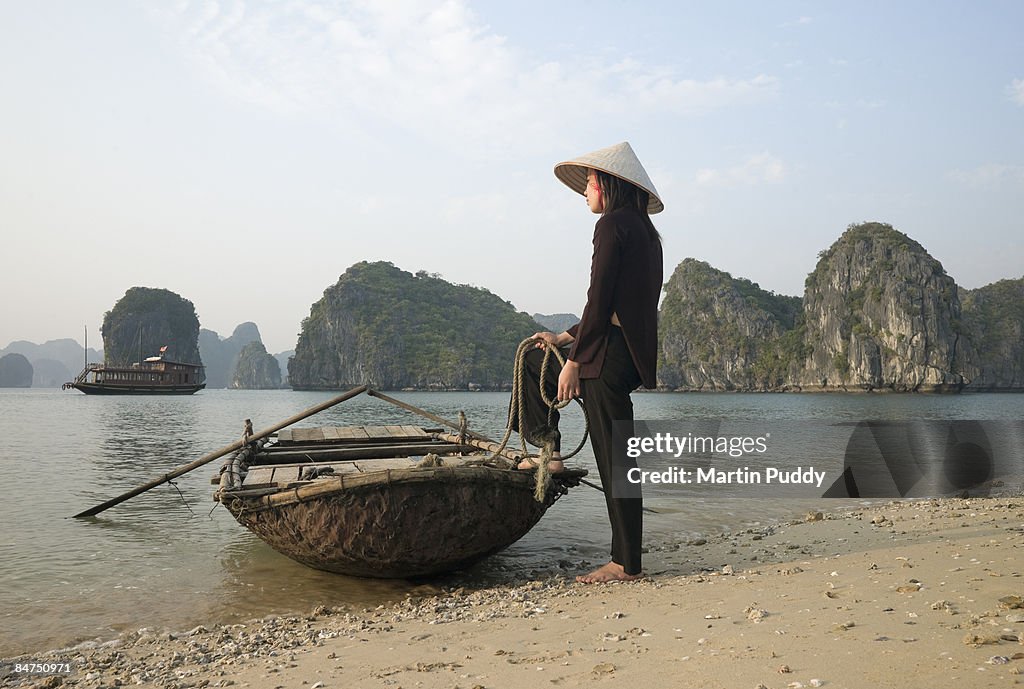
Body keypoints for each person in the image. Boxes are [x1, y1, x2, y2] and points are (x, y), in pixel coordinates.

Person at [513, 141, 663, 583]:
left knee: (616, 458)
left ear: (608, 185)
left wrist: (575, 360)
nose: (585, 192)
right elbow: (613, 303)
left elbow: (599, 298)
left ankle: (625, 564)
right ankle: (549, 451)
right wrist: (563, 337)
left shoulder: (611, 226)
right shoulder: (645, 233)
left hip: (607, 357)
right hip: (623, 353)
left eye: (590, 183)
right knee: (534, 361)